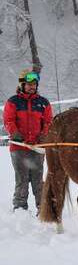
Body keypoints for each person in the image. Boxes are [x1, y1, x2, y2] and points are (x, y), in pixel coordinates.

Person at [3, 69, 53, 213]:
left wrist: (44, 135)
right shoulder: (13, 102)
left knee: (38, 180)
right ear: (22, 85)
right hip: (19, 148)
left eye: (34, 84)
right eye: (29, 84)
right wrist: (15, 133)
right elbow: (8, 120)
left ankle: (43, 208)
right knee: (22, 179)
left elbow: (49, 122)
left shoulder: (43, 103)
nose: (32, 86)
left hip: (37, 148)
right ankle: (20, 209)